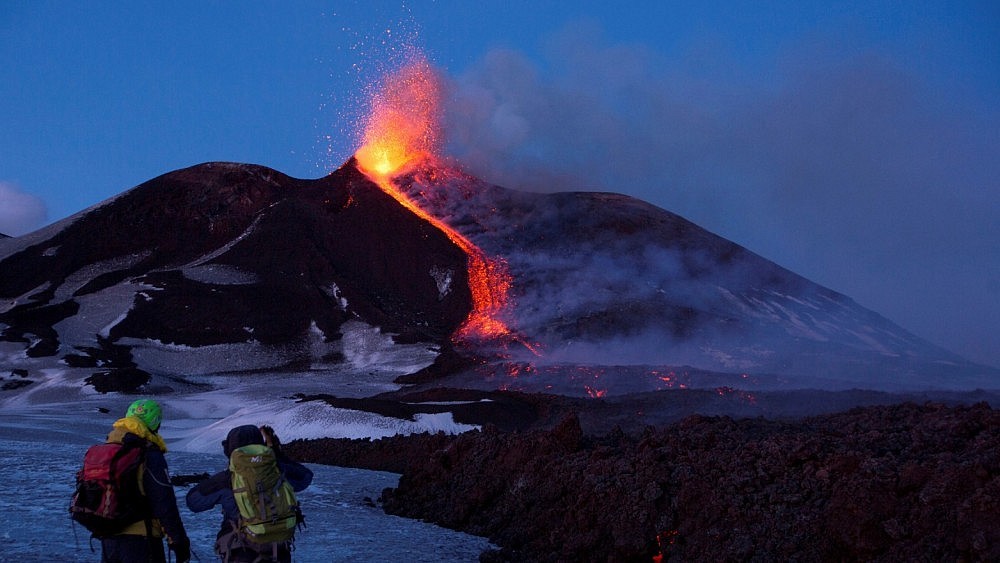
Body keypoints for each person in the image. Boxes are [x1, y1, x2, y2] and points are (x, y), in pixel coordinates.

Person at [186, 424, 313, 562]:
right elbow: (305, 477)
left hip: (241, 552)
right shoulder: (278, 471)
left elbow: (193, 502)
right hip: (279, 551)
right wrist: (276, 455)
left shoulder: (227, 479)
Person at [101, 398, 191, 563]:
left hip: (109, 538)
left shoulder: (108, 450)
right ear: (155, 422)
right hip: (142, 540)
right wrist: (178, 540)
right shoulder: (148, 454)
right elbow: (163, 501)